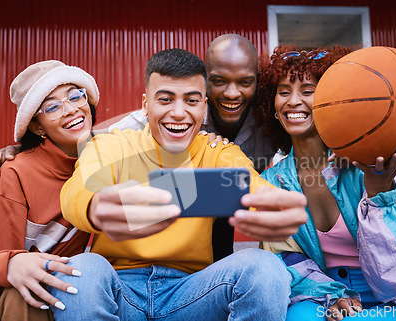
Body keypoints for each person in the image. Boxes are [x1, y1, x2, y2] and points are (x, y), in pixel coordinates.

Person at [46, 48, 308, 320]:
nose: (179, 113)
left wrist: (271, 205)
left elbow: (250, 183)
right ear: (146, 104)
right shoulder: (111, 145)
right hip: (118, 287)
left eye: (191, 101)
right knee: (80, 270)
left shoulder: (217, 152)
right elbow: (79, 188)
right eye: (166, 99)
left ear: (204, 107)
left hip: (193, 292)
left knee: (264, 267)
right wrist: (94, 205)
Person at [0, 34, 276, 261]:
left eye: (245, 82)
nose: (232, 92)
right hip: (125, 259)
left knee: (241, 244)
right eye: (219, 81)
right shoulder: (133, 129)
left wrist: (270, 198)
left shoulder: (268, 124)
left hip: (213, 230)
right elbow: (93, 141)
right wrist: (26, 148)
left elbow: (258, 177)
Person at [254, 45, 396, 321]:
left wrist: (379, 194)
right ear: (271, 105)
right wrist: (333, 295)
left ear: (332, 100)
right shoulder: (272, 182)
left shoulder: (366, 164)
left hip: (393, 297)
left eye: (308, 91)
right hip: (321, 290)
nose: (293, 101)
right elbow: (285, 260)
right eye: (284, 92)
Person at [0, 60, 101, 321]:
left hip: (47, 283)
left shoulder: (107, 154)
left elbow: (145, 117)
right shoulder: (15, 172)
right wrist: (10, 264)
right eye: (52, 107)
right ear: (37, 127)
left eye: (76, 96)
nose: (71, 109)